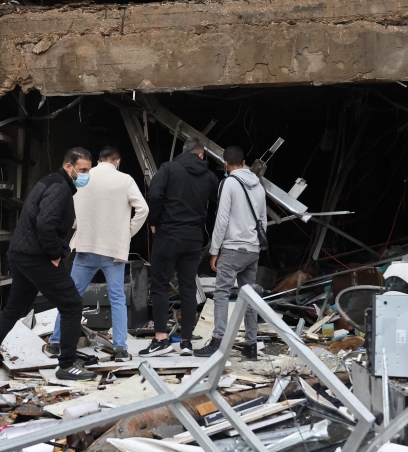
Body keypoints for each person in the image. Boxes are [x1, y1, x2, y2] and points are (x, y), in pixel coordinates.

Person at [0, 148, 97, 382]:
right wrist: (56, 253)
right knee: (71, 305)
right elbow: (45, 224)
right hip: (37, 257)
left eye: (89, 170)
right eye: (83, 170)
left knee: (13, 310)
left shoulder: (49, 182)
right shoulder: (59, 188)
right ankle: (67, 365)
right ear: (69, 167)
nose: (86, 174)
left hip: (20, 255)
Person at [45, 146, 148, 362]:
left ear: (98, 161)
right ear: (117, 161)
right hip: (113, 250)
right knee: (118, 298)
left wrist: (77, 225)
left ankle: (55, 342)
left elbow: (69, 210)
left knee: (71, 295)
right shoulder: (125, 180)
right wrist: (126, 233)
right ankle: (120, 348)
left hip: (86, 246)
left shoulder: (82, 176)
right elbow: (143, 209)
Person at [143, 139, 219, 357]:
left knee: (159, 286)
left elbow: (155, 195)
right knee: (188, 288)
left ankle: (160, 339)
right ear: (202, 155)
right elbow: (220, 202)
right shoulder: (209, 176)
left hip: (168, 235)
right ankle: (186, 342)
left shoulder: (168, 169)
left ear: (183, 152)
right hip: (194, 238)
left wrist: (154, 222)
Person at [195, 146, 267, 359]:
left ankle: (218, 342)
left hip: (233, 248)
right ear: (244, 162)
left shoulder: (229, 183)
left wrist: (214, 250)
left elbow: (222, 219)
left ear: (225, 164)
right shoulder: (259, 185)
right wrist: (256, 245)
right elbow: (262, 220)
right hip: (252, 249)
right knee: (249, 296)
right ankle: (251, 345)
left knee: (221, 293)